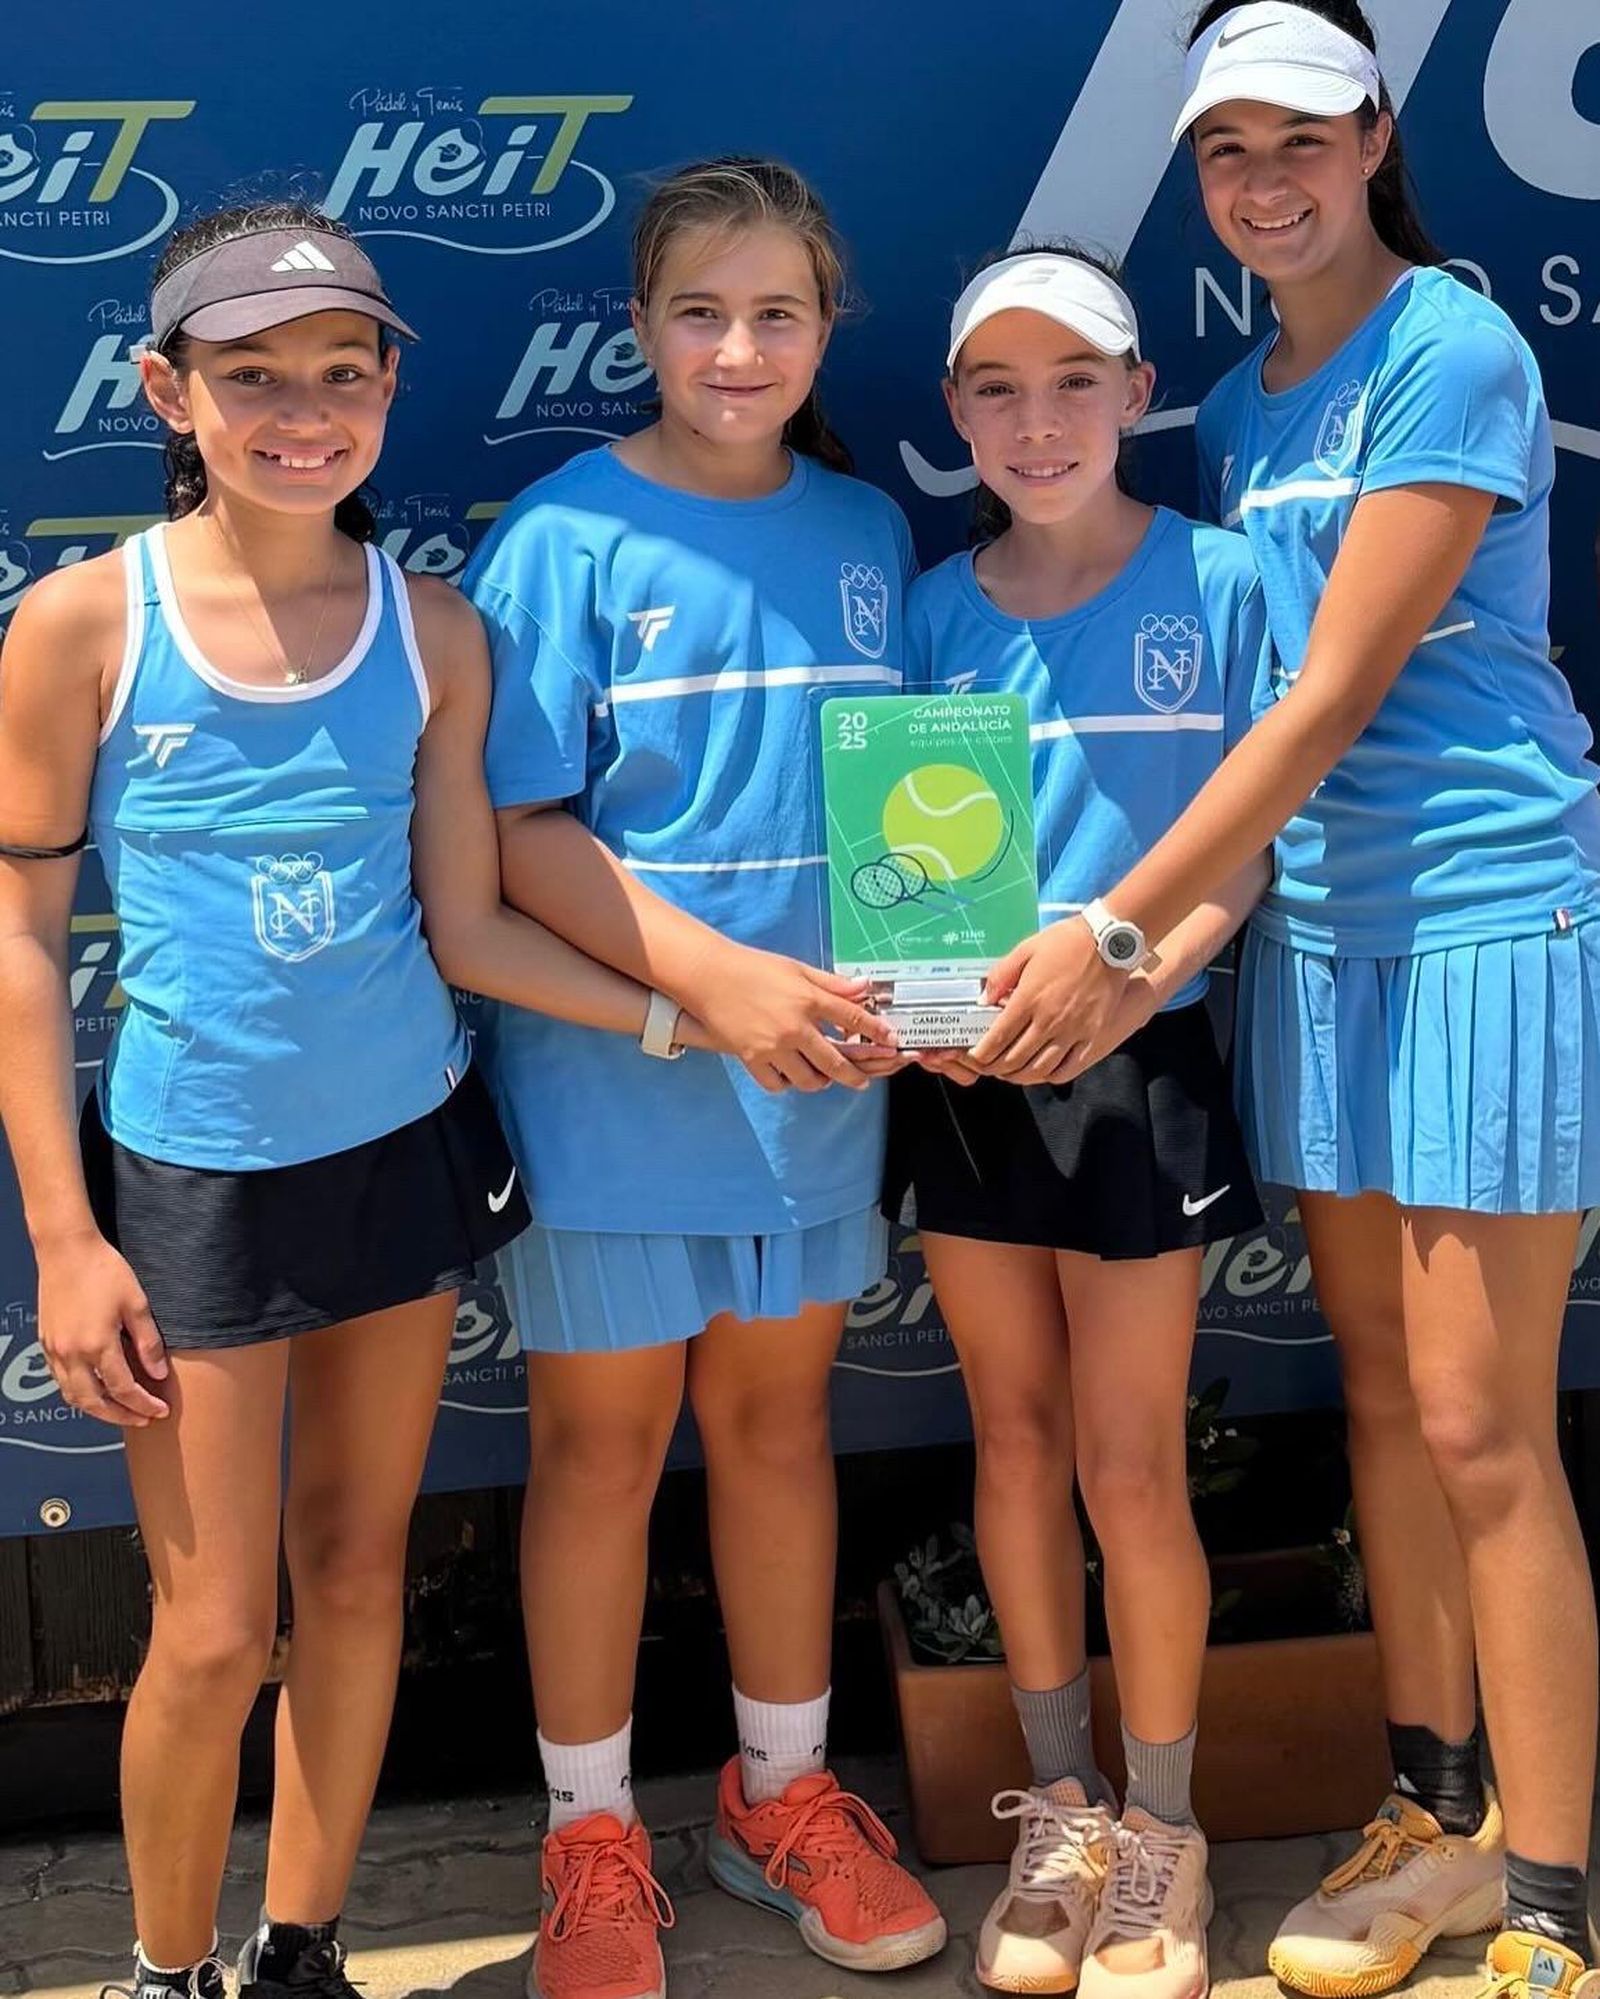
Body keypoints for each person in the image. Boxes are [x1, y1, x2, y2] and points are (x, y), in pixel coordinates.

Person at [0, 199, 717, 1999]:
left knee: (358, 1573)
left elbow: (468, 922)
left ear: (392, 385)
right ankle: (170, 1975)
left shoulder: (440, 635)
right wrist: (68, 1242)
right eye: (252, 378)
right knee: (214, 1627)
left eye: (340, 373)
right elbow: (18, 941)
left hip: (403, 1155)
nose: (301, 413)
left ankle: (301, 1947)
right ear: (170, 391)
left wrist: (670, 1016)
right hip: (194, 1191)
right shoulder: (80, 626)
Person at [967, 8, 1600, 1996]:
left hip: (1483, 911)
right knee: (1387, 1403)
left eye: (1295, 142)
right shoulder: (1245, 403)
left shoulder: (1449, 348)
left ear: (1370, 141)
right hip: (1313, 932)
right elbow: (1264, 733)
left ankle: (1551, 1908)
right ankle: (1430, 1807)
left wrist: (1120, 933)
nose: (1261, 182)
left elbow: (1326, 698)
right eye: (1223, 151)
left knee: (1488, 1423)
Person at [462, 155, 948, 1999]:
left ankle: (784, 1795)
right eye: (697, 311)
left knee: (772, 1431)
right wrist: (720, 987)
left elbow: (908, 807)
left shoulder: (864, 535)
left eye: (777, 313)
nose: (737, 347)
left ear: (828, 331)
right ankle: (588, 1828)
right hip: (615, 1083)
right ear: (641, 325)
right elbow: (517, 832)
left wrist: (921, 976)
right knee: (599, 1450)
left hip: (815, 1085)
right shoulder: (562, 542)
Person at [883, 245, 1270, 1997]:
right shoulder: (930, 604)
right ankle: (1065, 1818)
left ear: (1136, 393)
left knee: (1128, 1463)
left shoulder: (1229, 577)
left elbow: (1247, 843)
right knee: (1019, 1445)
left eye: (1072, 383)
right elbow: (910, 863)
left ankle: (1165, 1831)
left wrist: (1122, 964)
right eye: (995, 390)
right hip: (970, 1084)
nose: (1036, 423)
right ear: (956, 413)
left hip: (1140, 1072)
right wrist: (937, 1012)